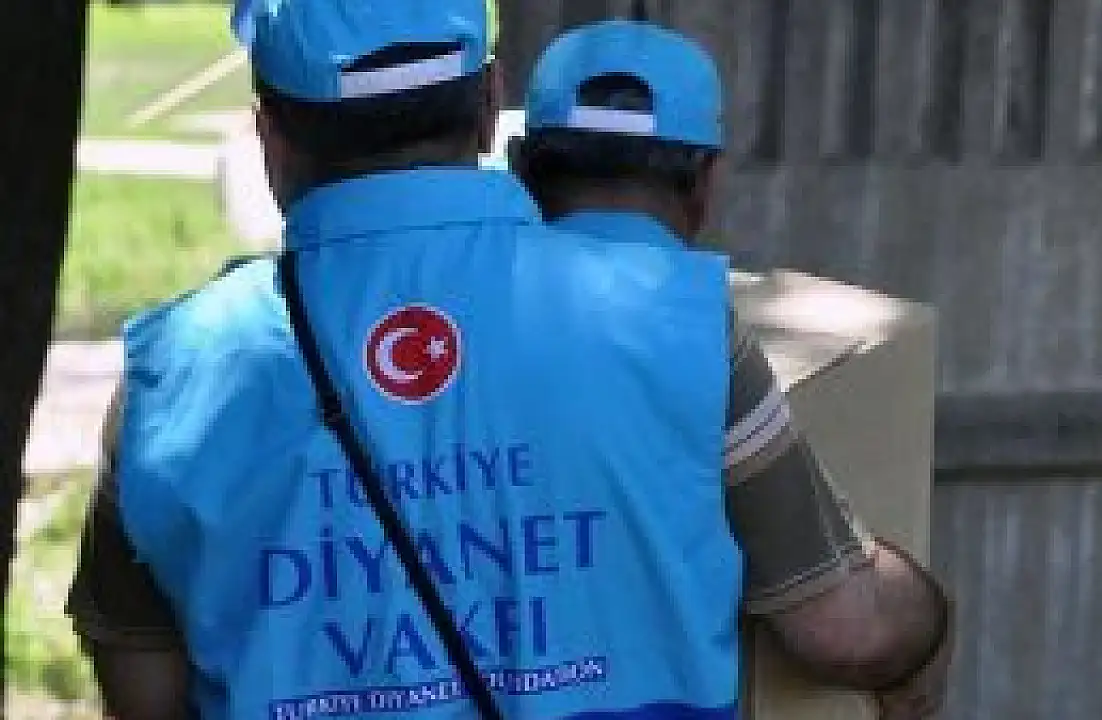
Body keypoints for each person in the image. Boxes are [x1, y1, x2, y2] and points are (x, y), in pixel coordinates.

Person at [65, 2, 948, 719]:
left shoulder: (170, 378)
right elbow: (844, 627)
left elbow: (143, 692)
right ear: (491, 103)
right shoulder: (670, 320)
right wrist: (930, 624)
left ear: (270, 138)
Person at [509, 20, 953, 719]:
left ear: (521, 167)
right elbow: (844, 629)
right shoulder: (688, 328)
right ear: (706, 179)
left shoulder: (431, 317)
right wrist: (933, 622)